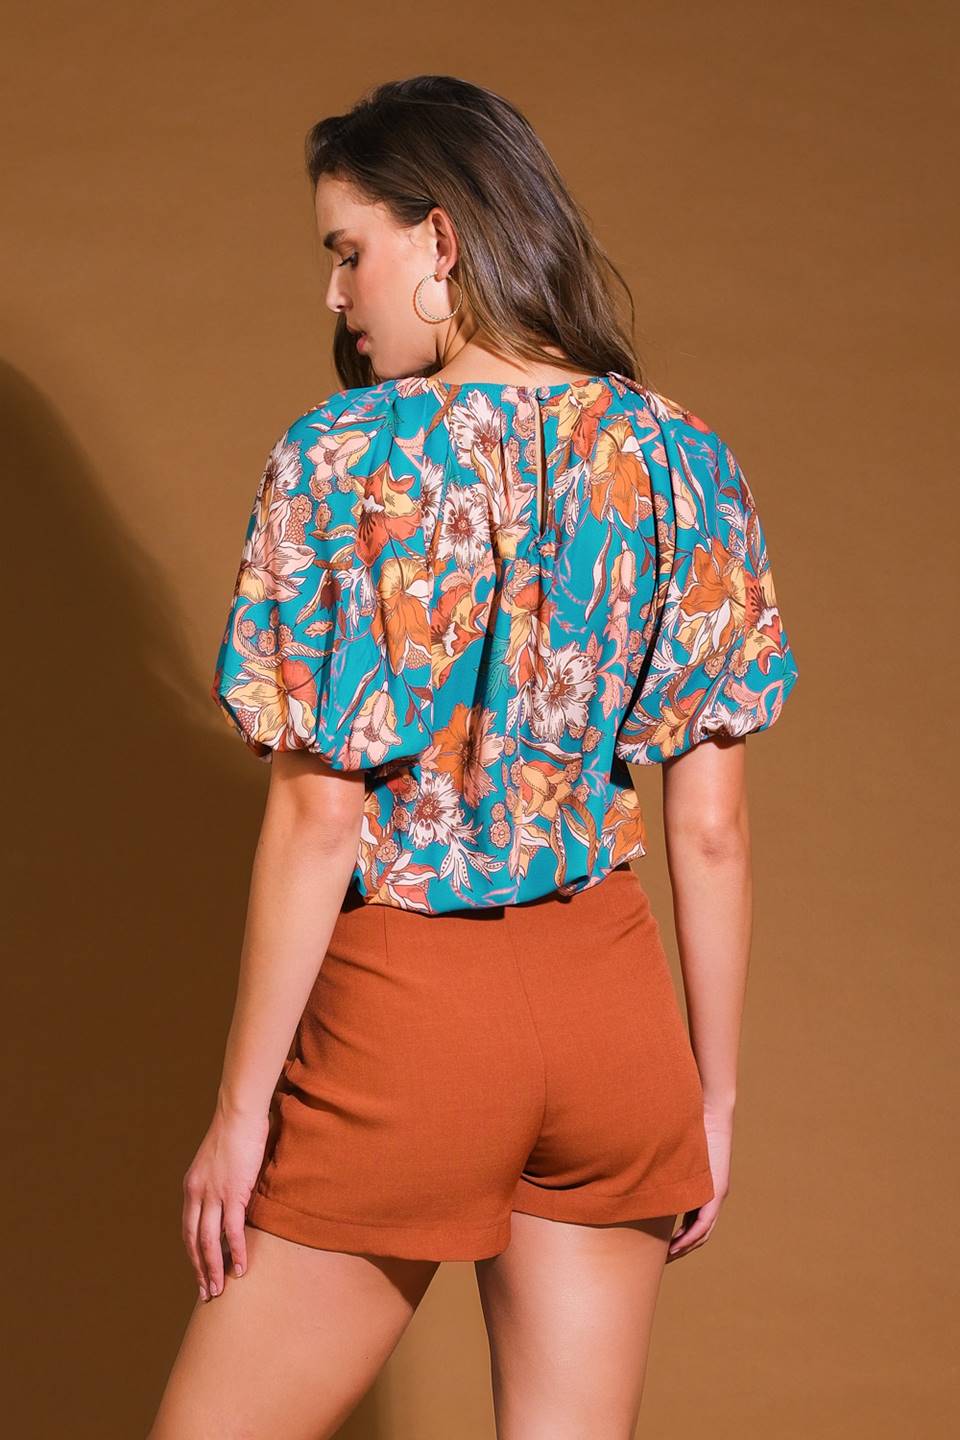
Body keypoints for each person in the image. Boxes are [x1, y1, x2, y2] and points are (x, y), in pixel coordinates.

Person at [148, 74, 799, 1440]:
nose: (336, 293)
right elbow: (713, 828)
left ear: (439, 239)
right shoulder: (683, 457)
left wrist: (240, 1114)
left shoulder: (341, 459)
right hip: (618, 1024)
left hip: (412, 1017)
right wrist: (713, 1097)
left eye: (349, 250)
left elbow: (318, 821)